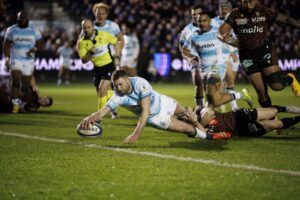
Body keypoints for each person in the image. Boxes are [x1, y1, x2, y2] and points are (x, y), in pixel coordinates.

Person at [79, 70, 216, 144]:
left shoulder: (140, 83)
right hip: (155, 117)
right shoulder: (117, 97)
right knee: (187, 129)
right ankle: (208, 137)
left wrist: (135, 134)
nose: (118, 88)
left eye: (120, 84)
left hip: (163, 101)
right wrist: (89, 118)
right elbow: (102, 112)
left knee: (188, 113)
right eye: (115, 86)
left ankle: (205, 127)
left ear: (127, 79)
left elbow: (145, 109)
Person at [219, 0, 300, 109]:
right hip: (246, 57)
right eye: (245, 2)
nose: (248, 5)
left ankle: (290, 78)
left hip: (264, 51)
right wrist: (227, 39)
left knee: (277, 86)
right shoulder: (235, 13)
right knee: (262, 95)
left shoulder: (263, 11)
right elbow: (222, 31)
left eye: (250, 2)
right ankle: (270, 119)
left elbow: (284, 18)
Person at [182, 12, 253, 108]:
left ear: (210, 21)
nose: (202, 23)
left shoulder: (218, 32)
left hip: (217, 67)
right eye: (199, 21)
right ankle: (240, 95)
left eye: (204, 21)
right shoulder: (193, 35)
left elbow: (235, 42)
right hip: (204, 71)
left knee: (211, 95)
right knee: (214, 102)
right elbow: (184, 50)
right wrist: (190, 58)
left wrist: (232, 50)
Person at [77, 19, 122, 117]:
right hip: (97, 68)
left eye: (88, 27)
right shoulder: (81, 42)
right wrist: (90, 52)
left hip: (109, 65)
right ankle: (113, 107)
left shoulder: (103, 34)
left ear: (92, 27)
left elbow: (117, 42)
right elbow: (84, 60)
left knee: (102, 89)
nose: (86, 29)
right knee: (101, 92)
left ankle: (98, 117)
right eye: (84, 28)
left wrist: (117, 57)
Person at [3, 11, 43, 113]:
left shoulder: (34, 30)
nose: (23, 19)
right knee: (16, 80)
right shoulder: (11, 30)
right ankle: (15, 104)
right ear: (18, 18)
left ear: (28, 18)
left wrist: (34, 49)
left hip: (29, 60)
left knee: (25, 85)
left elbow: (40, 43)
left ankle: (23, 103)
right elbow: (6, 45)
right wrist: (7, 58)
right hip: (16, 59)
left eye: (25, 17)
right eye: (21, 17)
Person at [185, 104, 300, 139]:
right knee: (277, 124)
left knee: (273, 111)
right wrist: (196, 124)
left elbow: (208, 113)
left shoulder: (203, 111)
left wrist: (196, 121)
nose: (189, 113)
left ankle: (293, 109)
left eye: (189, 111)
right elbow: (206, 135)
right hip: (242, 130)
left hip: (239, 116)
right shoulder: (196, 128)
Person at [90, 2, 125, 118]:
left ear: (107, 14)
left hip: (110, 60)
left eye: (102, 13)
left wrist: (118, 55)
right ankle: (112, 108)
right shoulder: (90, 26)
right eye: (97, 13)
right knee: (99, 88)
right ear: (94, 13)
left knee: (104, 86)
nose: (99, 15)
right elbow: (80, 42)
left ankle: (101, 114)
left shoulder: (113, 26)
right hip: (96, 62)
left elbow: (120, 40)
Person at [211, 1, 240, 111]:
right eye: (221, 7)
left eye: (225, 8)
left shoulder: (236, 21)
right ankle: (226, 107)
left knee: (230, 82)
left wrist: (234, 50)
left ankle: (232, 108)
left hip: (235, 54)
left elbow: (238, 38)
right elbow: (215, 38)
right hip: (221, 54)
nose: (223, 9)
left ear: (230, 9)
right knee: (221, 80)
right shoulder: (214, 22)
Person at [179, 5, 205, 107]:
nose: (196, 16)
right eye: (194, 14)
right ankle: (200, 109)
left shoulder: (210, 25)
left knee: (212, 85)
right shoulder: (187, 30)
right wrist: (190, 59)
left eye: (198, 13)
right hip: (195, 59)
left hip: (209, 58)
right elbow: (182, 48)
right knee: (198, 80)